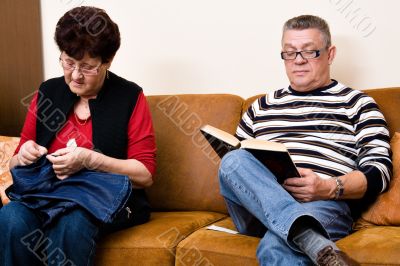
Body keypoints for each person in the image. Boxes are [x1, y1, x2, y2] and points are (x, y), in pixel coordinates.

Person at [218, 15, 392, 266]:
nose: (298, 60)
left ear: (330, 54)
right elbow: (237, 172)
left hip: (321, 204)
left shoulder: (358, 104)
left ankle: (299, 231)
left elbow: (379, 173)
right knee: (233, 160)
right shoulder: (261, 107)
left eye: (310, 52)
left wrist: (328, 187)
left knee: (275, 249)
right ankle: (311, 240)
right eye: (290, 53)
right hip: (255, 208)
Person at [0, 6, 156, 266]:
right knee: (12, 216)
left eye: (87, 67)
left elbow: (145, 175)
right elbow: (15, 162)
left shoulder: (129, 97)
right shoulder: (47, 92)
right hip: (47, 195)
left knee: (71, 221)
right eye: (68, 62)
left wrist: (90, 160)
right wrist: (24, 155)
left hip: (103, 199)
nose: (75, 75)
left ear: (108, 61)